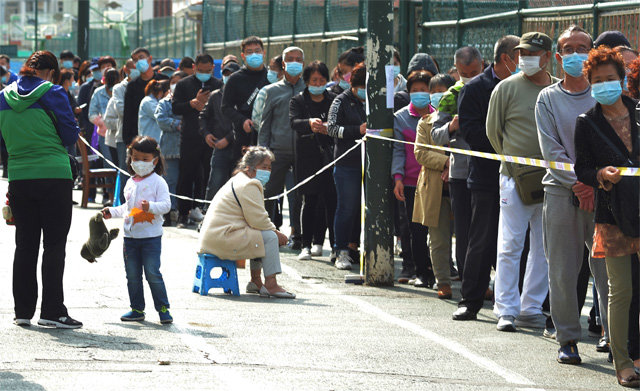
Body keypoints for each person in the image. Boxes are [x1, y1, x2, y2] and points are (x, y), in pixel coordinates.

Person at [535, 25, 611, 365]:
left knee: (610, 272)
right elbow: (552, 151)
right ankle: (567, 339)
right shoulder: (547, 99)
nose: (576, 54)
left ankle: (617, 338)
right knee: (563, 272)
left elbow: (613, 145)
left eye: (583, 47)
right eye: (569, 48)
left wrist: (594, 184)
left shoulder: (604, 95)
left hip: (603, 196)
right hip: (561, 194)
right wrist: (580, 183)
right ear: (558, 55)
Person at [0, 50, 82, 328]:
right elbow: (70, 135)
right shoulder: (54, 93)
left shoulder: (3, 97)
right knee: (54, 246)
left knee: (25, 245)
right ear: (50, 72)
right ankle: (52, 312)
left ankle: (22, 311)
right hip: (54, 177)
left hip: (20, 177)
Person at [574, 45, 639, 388]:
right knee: (620, 291)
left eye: (610, 78)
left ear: (623, 78)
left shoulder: (639, 113)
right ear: (590, 83)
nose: (604, 85)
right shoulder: (587, 123)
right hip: (612, 215)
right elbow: (581, 168)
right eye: (597, 80)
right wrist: (600, 173)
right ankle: (623, 364)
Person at [486, 32, 558, 332]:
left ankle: (530, 307)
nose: (525, 58)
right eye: (522, 52)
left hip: (553, 180)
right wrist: (512, 165)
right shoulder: (505, 88)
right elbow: (493, 132)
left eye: (532, 53)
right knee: (510, 244)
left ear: (547, 56)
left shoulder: (557, 89)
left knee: (544, 247)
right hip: (513, 179)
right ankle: (505, 308)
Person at [453, 34, 520, 321]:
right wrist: (507, 146)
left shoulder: (531, 86)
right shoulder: (476, 89)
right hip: (486, 176)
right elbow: (470, 131)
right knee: (481, 237)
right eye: (521, 56)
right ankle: (471, 300)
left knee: (522, 242)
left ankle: (526, 303)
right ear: (505, 58)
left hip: (522, 176)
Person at [198, 146, 296, 299]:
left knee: (259, 234)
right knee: (269, 237)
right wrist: (276, 232)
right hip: (222, 238)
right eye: (264, 167)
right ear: (249, 167)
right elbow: (258, 218)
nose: (268, 171)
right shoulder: (249, 184)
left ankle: (255, 281)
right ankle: (271, 284)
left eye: (269, 167)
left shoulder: (239, 179)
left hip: (216, 237)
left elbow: (254, 221)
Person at [102, 136, 173, 324]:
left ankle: (163, 308)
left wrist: (151, 207)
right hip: (130, 238)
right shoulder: (130, 182)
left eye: (145, 159)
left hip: (151, 238)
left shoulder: (159, 182)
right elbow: (127, 207)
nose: (139, 162)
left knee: (152, 273)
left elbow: (166, 205)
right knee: (132, 275)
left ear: (155, 160)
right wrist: (111, 211)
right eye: (135, 158)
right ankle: (136, 309)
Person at [432, 46, 484, 282]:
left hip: (488, 170)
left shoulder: (493, 89)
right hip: (461, 173)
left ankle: (484, 279)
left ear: (483, 65)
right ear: (456, 70)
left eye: (474, 71)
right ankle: (467, 279)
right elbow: (436, 135)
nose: (470, 77)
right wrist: (452, 127)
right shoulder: (450, 96)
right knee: (463, 231)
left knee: (485, 230)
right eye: (465, 72)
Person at [392, 71, 437, 288]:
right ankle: (419, 271)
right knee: (414, 228)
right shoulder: (400, 118)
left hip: (435, 180)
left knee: (436, 229)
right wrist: (398, 177)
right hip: (411, 182)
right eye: (415, 90)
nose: (419, 94)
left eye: (424, 89)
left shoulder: (439, 115)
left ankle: (438, 270)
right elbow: (398, 150)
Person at [258, 46, 306, 251]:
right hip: (277, 152)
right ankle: (267, 232)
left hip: (304, 152)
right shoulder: (271, 91)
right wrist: (262, 155)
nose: (294, 62)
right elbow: (264, 125)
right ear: (283, 63)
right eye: (290, 59)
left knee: (299, 195)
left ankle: (298, 233)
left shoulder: (308, 90)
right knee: (268, 194)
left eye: (298, 59)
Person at [289, 61, 337, 261]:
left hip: (331, 156)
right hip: (307, 157)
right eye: (314, 80)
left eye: (322, 80)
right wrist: (309, 123)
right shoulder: (298, 101)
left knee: (331, 201)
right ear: (307, 81)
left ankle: (332, 246)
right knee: (309, 200)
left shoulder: (334, 100)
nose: (318, 83)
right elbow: (294, 122)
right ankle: (306, 244)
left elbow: (339, 123)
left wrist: (328, 127)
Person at [172, 53, 222, 228]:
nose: (204, 73)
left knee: (209, 176)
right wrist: (192, 104)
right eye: (201, 70)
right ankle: (182, 214)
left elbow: (222, 111)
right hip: (190, 137)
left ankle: (205, 211)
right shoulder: (183, 84)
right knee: (186, 175)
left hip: (211, 137)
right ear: (194, 67)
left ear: (213, 69)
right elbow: (175, 107)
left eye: (208, 71)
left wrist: (207, 107)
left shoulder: (218, 85)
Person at [327, 63, 366, 270]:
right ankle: (340, 250)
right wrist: (356, 130)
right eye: (361, 87)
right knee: (347, 208)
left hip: (370, 163)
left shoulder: (377, 101)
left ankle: (358, 248)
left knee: (365, 209)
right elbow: (331, 129)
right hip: (346, 164)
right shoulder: (340, 101)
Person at [221, 36, 269, 161]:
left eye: (257, 51)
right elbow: (226, 107)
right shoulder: (235, 79)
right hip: (244, 135)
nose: (254, 54)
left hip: (269, 133)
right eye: (249, 52)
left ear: (263, 53)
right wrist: (242, 120)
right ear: (243, 56)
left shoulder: (271, 76)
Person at [200, 62, 240, 202]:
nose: (228, 77)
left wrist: (228, 139)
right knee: (215, 183)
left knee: (237, 185)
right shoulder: (215, 96)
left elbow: (244, 121)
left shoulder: (242, 97)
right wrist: (206, 134)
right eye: (226, 74)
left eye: (232, 74)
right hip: (219, 146)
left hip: (238, 147)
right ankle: (209, 215)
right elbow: (203, 116)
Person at [155, 71, 187, 224]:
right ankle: (169, 211)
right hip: (169, 148)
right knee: (169, 180)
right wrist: (179, 124)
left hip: (188, 148)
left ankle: (184, 211)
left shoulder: (191, 102)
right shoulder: (164, 103)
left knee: (186, 181)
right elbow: (161, 120)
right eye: (174, 82)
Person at [122, 47, 169, 147]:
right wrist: (128, 139)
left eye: (141, 57)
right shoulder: (132, 86)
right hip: (139, 137)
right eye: (135, 60)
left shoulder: (163, 80)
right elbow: (128, 114)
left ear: (150, 59)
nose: (138, 62)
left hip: (162, 136)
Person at [104, 59, 138, 173]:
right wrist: (141, 113)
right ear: (126, 70)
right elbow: (121, 111)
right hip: (125, 136)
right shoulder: (119, 88)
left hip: (143, 134)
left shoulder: (146, 84)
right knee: (125, 171)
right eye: (134, 67)